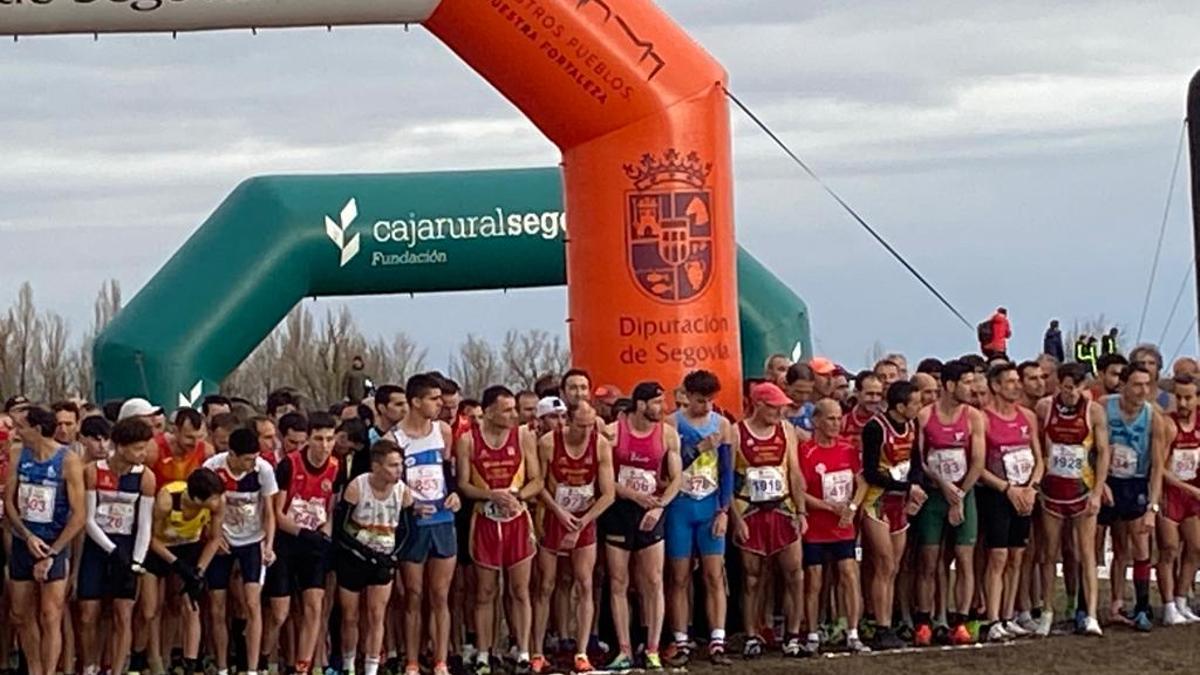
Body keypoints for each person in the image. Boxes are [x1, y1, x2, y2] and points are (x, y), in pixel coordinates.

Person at [456, 386, 542, 675]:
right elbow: (464, 485)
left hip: (517, 520)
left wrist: (517, 495)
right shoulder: (468, 441)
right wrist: (491, 494)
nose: (513, 415)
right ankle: (483, 653)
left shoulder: (523, 437)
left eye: (514, 409)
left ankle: (524, 652)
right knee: (485, 591)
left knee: (520, 590)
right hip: (484, 521)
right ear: (489, 410)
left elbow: (537, 480)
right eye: (506, 410)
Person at [599, 382, 682, 670]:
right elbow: (605, 478)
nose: (663, 408)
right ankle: (623, 648)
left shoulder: (667, 435)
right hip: (620, 511)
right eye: (657, 403)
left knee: (654, 581)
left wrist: (659, 506)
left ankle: (653, 648)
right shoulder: (612, 433)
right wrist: (634, 495)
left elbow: (676, 479)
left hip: (651, 512)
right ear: (641, 404)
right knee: (619, 582)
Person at [533, 399, 614, 673]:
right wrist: (558, 512)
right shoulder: (548, 442)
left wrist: (582, 522)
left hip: (583, 517)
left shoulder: (600, 443)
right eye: (581, 425)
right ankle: (537, 650)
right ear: (567, 420)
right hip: (554, 516)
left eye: (591, 425)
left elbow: (608, 493)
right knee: (546, 584)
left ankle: (581, 652)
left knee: (584, 583)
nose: (587, 430)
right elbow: (539, 484)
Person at [6, 405, 87, 675]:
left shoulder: (68, 460)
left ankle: (50, 671)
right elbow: (9, 501)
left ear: (37, 429)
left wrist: (52, 552)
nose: (16, 433)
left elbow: (79, 515)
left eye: (21, 427)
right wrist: (26, 535)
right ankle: (35, 668)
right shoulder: (18, 453)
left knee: (50, 614)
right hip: (24, 539)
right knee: (19, 612)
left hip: (54, 541)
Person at [730, 382, 806, 657]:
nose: (779, 412)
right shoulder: (737, 432)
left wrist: (801, 511)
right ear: (758, 404)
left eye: (781, 407)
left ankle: (793, 635)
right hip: (749, 508)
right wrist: (736, 519)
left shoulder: (786, 431)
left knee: (794, 573)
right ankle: (751, 634)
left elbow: (795, 473)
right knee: (752, 577)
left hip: (782, 506)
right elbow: (727, 479)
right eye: (774, 407)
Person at [912, 360, 985, 646]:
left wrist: (960, 495)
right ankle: (924, 620)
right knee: (929, 560)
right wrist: (943, 486)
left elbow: (978, 461)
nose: (972, 388)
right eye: (967, 383)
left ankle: (961, 620)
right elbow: (919, 460)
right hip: (933, 496)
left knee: (964, 558)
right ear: (950, 385)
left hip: (963, 495)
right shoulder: (925, 416)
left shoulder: (973, 417)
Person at [663, 371, 733, 666]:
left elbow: (727, 471)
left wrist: (723, 511)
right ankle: (681, 640)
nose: (705, 406)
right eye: (700, 400)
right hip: (680, 505)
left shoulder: (722, 425)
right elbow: (667, 470)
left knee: (714, 575)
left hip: (709, 505)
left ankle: (717, 639)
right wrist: (698, 449)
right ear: (686, 396)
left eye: (710, 401)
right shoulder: (671, 424)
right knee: (679, 577)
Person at [394, 374, 461, 675]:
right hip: (414, 524)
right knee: (413, 594)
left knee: (440, 594)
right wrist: (408, 503)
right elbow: (389, 486)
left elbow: (449, 471)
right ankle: (411, 659)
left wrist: (456, 494)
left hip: (443, 520)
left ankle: (440, 660)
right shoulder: (394, 439)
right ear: (416, 401)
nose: (440, 404)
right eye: (434, 399)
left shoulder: (443, 431)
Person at [78, 417, 156, 675]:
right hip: (98, 545)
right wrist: (111, 550)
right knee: (89, 614)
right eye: (137, 448)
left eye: (145, 448)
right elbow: (87, 519)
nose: (143, 454)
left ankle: (117, 668)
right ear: (121, 447)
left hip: (128, 546)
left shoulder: (145, 477)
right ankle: (90, 665)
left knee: (123, 614)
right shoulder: (93, 471)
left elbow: (145, 523)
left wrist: (136, 560)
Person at [1036, 363, 1109, 636]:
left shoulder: (1093, 411)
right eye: (1068, 387)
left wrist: (1098, 492)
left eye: (1078, 388)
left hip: (1082, 489)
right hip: (1053, 491)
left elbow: (1103, 453)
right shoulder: (1045, 408)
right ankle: (1046, 611)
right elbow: (1040, 447)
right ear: (1059, 385)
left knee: (1085, 552)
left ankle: (1090, 614)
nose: (1072, 393)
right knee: (1049, 552)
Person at [265, 412, 339, 675]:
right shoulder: (289, 465)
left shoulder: (335, 466)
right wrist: (301, 533)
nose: (324, 445)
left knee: (314, 605)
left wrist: (325, 533)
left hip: (314, 543)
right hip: (287, 541)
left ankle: (303, 666)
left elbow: (329, 506)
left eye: (329, 439)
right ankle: (266, 659)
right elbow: (278, 513)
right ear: (308, 439)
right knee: (280, 613)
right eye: (319, 439)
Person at [334, 439, 414, 675]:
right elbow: (341, 528)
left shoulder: (403, 492)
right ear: (377, 466)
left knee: (376, 614)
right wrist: (365, 553)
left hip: (383, 557)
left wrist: (393, 557)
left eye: (400, 465)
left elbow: (407, 530)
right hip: (354, 556)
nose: (398, 470)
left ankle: (371, 667)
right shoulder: (357, 487)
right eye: (392, 465)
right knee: (350, 616)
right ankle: (349, 663)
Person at [976, 363, 1043, 641]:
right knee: (998, 555)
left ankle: (1008, 614)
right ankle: (992, 618)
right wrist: (1007, 489)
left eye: (1018, 381)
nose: (1017, 386)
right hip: (996, 494)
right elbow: (977, 465)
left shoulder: (1027, 416)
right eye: (1011, 382)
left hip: (1025, 492)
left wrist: (1031, 487)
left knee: (1017, 555)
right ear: (996, 386)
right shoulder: (983, 418)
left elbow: (1039, 458)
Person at [1098, 364, 1167, 631]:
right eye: (1137, 385)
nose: (1143, 391)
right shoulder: (1105, 406)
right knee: (1117, 546)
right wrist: (1099, 482)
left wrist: (1153, 506)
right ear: (1123, 385)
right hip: (1109, 481)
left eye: (1147, 385)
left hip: (1135, 483)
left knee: (1140, 545)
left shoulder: (1153, 417)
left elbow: (1158, 465)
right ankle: (1114, 604)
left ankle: (1141, 607)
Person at [205, 428, 279, 675]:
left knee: (252, 602)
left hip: (252, 540)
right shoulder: (212, 468)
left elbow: (269, 511)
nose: (251, 463)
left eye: (254, 458)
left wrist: (269, 544)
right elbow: (202, 507)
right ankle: (223, 666)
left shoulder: (263, 470)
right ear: (232, 454)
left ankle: (252, 668)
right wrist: (213, 535)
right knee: (217, 605)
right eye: (247, 459)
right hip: (223, 539)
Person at [798, 399, 870, 654]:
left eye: (839, 418)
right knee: (814, 579)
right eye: (830, 419)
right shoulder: (805, 452)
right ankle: (813, 633)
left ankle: (852, 632)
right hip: (817, 526)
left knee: (849, 574)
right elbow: (799, 491)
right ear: (816, 420)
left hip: (843, 526)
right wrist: (828, 507)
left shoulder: (847, 449)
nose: (836, 424)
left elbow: (862, 482)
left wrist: (851, 508)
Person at [860, 381, 926, 649]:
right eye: (915, 403)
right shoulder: (875, 428)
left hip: (900, 503)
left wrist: (915, 486)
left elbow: (917, 462)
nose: (919, 408)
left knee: (894, 567)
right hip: (877, 501)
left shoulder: (912, 426)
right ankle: (880, 625)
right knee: (884, 563)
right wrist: (907, 486)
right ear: (900, 406)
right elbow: (872, 471)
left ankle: (887, 622)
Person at [149, 468, 226, 675]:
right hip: (160, 548)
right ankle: (154, 659)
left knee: (190, 605)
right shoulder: (167, 501)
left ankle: (189, 664)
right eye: (213, 499)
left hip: (189, 546)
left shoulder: (217, 503)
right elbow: (151, 539)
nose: (218, 502)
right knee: (152, 607)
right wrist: (177, 565)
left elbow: (215, 538)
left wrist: (198, 571)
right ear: (198, 499)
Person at [1155, 374, 1200, 625]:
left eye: (1188, 398)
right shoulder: (1168, 425)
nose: (1182, 404)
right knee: (1169, 548)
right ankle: (1169, 604)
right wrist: (1187, 488)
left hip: (1192, 494)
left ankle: (1182, 599)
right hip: (1171, 492)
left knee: (1195, 547)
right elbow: (1160, 467)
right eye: (1179, 397)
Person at [841, 373, 883, 452]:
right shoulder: (843, 422)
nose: (874, 399)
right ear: (857, 392)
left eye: (879, 394)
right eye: (869, 394)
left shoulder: (885, 423)